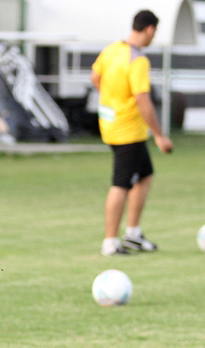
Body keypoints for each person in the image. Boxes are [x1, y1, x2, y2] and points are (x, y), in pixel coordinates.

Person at [91, 10, 173, 256]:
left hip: (111, 124)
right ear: (149, 29)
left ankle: (133, 234)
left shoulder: (112, 50)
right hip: (128, 130)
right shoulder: (137, 60)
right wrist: (159, 135)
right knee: (121, 184)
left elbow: (95, 77)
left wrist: (112, 100)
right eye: (154, 32)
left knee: (145, 175)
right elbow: (143, 101)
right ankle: (110, 242)